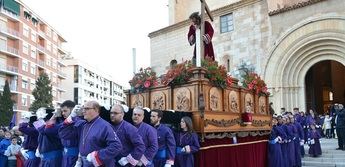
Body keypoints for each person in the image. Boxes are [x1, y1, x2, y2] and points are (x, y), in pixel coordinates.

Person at [59, 101, 122, 167]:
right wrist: (71, 116)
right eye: (83, 109)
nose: (83, 111)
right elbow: (63, 134)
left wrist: (97, 155)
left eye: (86, 108)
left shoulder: (105, 126)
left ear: (96, 110)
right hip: (84, 163)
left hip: (100, 164)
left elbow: (117, 146)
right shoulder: (82, 124)